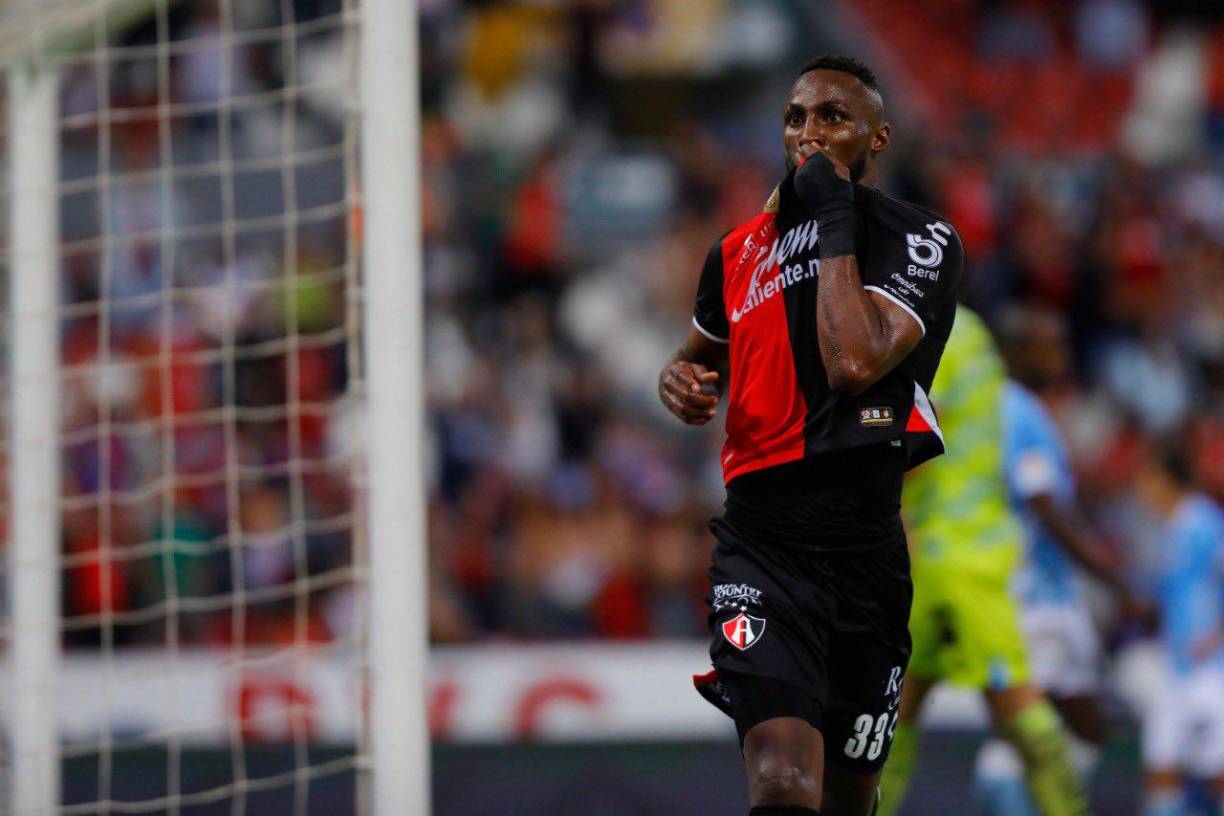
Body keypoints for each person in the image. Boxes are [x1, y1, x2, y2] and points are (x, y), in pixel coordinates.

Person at [659, 54, 961, 816]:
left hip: (866, 556)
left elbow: (854, 360)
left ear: (877, 137)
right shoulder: (735, 253)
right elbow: (697, 359)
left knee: (848, 800)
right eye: (796, 117)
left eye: (833, 117)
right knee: (784, 781)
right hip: (764, 548)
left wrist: (833, 215)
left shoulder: (920, 240)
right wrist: (679, 380)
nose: (809, 132)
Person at [876, 305, 1089, 816]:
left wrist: (877, 509)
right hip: (965, 548)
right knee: (900, 706)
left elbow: (920, 434)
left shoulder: (931, 329)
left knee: (1002, 701)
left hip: (953, 549)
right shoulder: (968, 331)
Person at [974, 306, 1148, 814]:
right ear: (1018, 350)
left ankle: (1018, 796)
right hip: (1036, 601)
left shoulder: (1001, 407)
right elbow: (1046, 508)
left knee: (1072, 725)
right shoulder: (1018, 411)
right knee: (1051, 727)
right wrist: (1117, 581)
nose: (1062, 357)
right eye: (1050, 345)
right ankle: (1004, 798)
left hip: (1032, 596)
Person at [1133, 444, 1224, 816]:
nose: (1142, 490)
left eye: (1147, 479)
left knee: (1216, 769)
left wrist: (1217, 634)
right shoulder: (1171, 529)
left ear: (1164, 480)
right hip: (1175, 665)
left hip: (1210, 668)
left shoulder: (1204, 522)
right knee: (1161, 763)